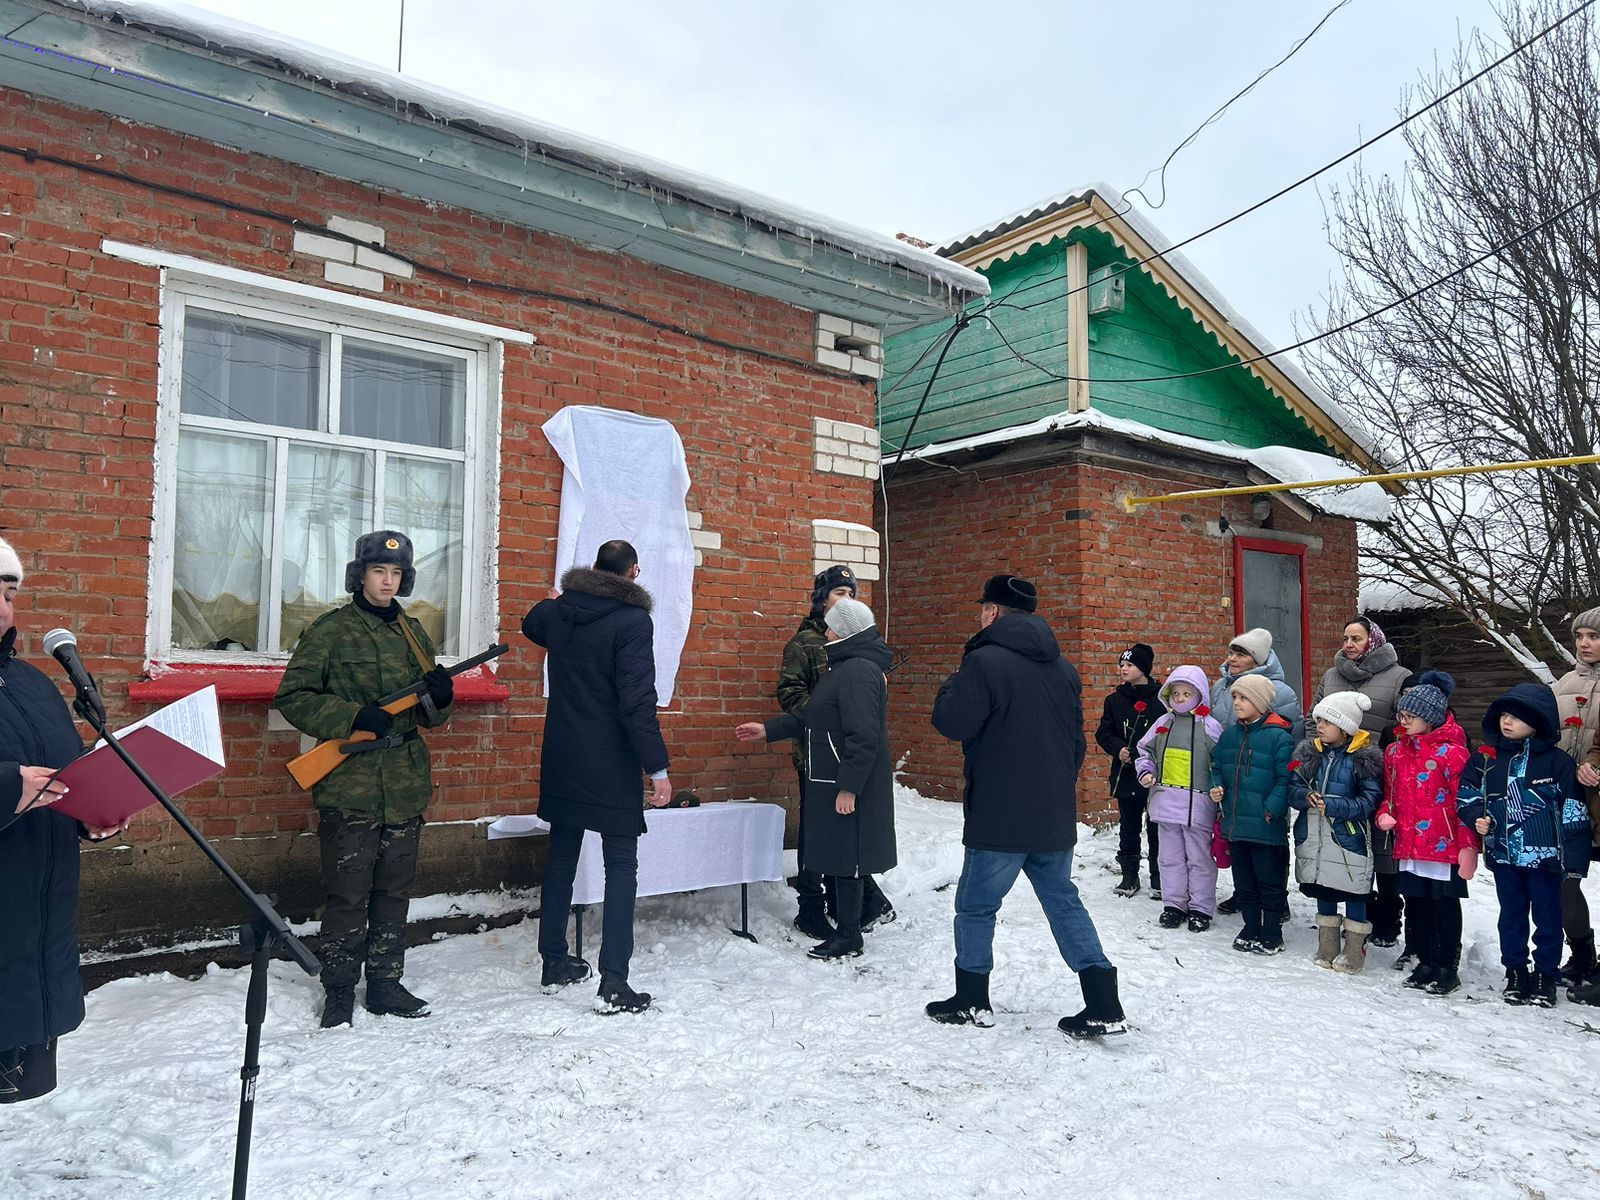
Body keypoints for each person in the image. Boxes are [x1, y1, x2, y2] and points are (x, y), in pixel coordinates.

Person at [925, 574, 1126, 1039]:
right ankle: (1103, 1001)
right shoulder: (1064, 669)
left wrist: (949, 686)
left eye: (982, 607)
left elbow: (952, 723)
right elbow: (1075, 743)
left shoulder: (982, 663)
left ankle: (972, 1000)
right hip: (1052, 811)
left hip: (998, 812)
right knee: (1063, 901)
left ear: (993, 612)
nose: (980, 615)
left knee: (976, 907)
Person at [276, 530, 455, 1028]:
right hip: (350, 781)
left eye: (397, 574)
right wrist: (352, 716)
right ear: (361, 574)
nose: (388, 581)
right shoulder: (330, 631)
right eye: (380, 572)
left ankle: (384, 983)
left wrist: (440, 696)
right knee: (348, 893)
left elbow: (431, 719)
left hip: (403, 781)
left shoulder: (414, 634)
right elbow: (293, 698)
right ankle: (338, 989)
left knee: (394, 892)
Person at [523, 539, 672, 1015]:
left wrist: (558, 599)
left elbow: (532, 622)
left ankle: (553, 962)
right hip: (610, 762)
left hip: (564, 754)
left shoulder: (561, 612)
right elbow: (636, 701)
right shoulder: (632, 621)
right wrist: (658, 768)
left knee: (562, 857)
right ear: (633, 572)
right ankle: (613, 982)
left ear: (594, 570)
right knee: (621, 867)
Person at [1, 536, 126, 1102]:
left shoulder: (34, 684)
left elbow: (66, 774)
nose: (4, 608)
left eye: (9, 592)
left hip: (32, 940)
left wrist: (94, 812)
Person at [737, 597, 897, 960]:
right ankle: (848, 933)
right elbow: (815, 719)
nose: (825, 631)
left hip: (848, 781)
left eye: (830, 625)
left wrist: (849, 787)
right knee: (842, 857)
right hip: (832, 777)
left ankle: (849, 936)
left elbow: (863, 735)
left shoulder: (857, 670)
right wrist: (767, 730)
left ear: (845, 629)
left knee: (850, 857)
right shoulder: (842, 668)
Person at [775, 566, 894, 942]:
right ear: (821, 597)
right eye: (838, 592)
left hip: (850, 754)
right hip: (815, 754)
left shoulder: (854, 639)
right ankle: (810, 904)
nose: (845, 599)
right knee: (817, 833)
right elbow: (790, 692)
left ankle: (858, 904)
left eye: (850, 592)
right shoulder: (805, 642)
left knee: (846, 833)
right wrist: (824, 718)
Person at [1458, 683, 1593, 1008]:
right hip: (1504, 856)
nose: (1507, 721)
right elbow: (1466, 792)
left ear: (1540, 721)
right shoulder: (1486, 758)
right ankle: (1516, 971)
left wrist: (1574, 863)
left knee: (1548, 919)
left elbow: (1574, 812)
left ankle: (1546, 975)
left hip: (1547, 860)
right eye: (1504, 714)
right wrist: (1478, 815)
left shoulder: (1557, 763)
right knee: (1512, 916)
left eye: (1517, 717)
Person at [1307, 616, 1414, 955]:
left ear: (1373, 639)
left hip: (1378, 768)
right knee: (1346, 842)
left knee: (1381, 847)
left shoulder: (1398, 676)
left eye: (1356, 638)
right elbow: (1315, 719)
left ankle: (1387, 914)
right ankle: (1350, 910)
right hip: (1336, 769)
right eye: (1345, 638)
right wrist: (1316, 756)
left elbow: (1405, 724)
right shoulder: (1332, 675)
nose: (1349, 644)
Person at [1378, 672, 1475, 995]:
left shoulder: (1453, 754)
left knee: (1444, 903)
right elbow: (1389, 794)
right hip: (1410, 840)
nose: (1403, 722)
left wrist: (1468, 845)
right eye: (1401, 715)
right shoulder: (1395, 752)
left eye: (1411, 717)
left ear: (1431, 719)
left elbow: (1465, 801)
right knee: (1417, 901)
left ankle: (1447, 965)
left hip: (1444, 842)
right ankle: (1424, 959)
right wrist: (1385, 814)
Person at [1288, 692, 1382, 973]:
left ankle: (1355, 948)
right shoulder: (1309, 754)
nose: (1320, 726)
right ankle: (1327, 943)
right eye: (1318, 720)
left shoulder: (1363, 760)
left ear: (1345, 727)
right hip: (1316, 835)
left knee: (1353, 889)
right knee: (1324, 886)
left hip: (1347, 836)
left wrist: (1334, 805)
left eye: (1327, 721)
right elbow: (1292, 790)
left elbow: (1369, 801)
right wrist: (1306, 796)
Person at [1209, 627, 1301, 916]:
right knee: (1239, 837)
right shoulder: (1221, 687)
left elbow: (1290, 736)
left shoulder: (1279, 691)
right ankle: (1244, 892)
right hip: (1232, 768)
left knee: (1271, 842)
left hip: (1265, 776)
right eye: (1231, 652)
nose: (1232, 658)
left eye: (1241, 654)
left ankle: (1277, 897)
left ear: (1257, 659)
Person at [1134, 665, 1221, 932]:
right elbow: (1144, 751)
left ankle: (1200, 907)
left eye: (1187, 693)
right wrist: (1146, 772)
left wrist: (1218, 788)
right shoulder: (1162, 725)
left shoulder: (1210, 727)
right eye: (1176, 693)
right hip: (1166, 803)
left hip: (1199, 807)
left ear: (1200, 696)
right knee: (1169, 857)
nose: (1180, 699)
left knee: (1200, 860)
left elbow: (1221, 762)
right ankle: (1174, 904)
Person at [1551, 606, 1600, 995]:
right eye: (1580, 636)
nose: (1585, 643)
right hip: (1568, 796)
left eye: (1594, 637)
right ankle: (1582, 955)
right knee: (1566, 880)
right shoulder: (1565, 682)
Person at [1095, 643, 1165, 899]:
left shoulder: (1161, 699)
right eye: (1122, 665)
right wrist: (1119, 748)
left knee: (1157, 825)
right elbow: (1104, 732)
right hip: (1125, 771)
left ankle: (1159, 876)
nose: (1124, 669)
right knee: (1129, 824)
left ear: (1143, 669)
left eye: (1130, 665)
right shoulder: (1114, 700)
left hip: (1155, 772)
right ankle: (1129, 874)